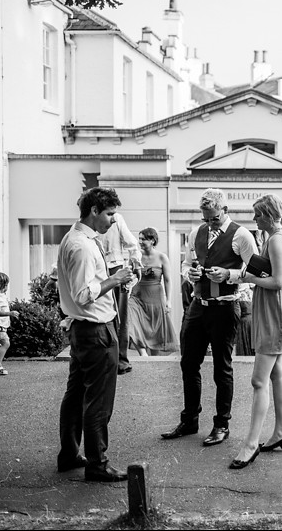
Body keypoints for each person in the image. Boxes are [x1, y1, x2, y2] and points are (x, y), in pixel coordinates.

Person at [161, 188, 258, 447]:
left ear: (225, 210)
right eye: (206, 218)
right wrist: (188, 274)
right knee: (188, 364)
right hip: (198, 306)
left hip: (226, 307)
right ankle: (190, 419)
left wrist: (230, 275)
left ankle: (221, 424)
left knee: (221, 368)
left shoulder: (242, 235)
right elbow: (185, 264)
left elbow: (258, 272)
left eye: (214, 218)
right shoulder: (196, 233)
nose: (209, 222)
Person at [56, 187, 134, 482]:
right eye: (110, 214)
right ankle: (98, 465)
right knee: (98, 402)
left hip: (82, 329)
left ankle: (70, 454)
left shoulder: (74, 239)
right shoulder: (83, 247)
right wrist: (114, 279)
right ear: (94, 211)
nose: (114, 220)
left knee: (75, 396)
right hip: (96, 331)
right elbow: (83, 293)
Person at [230, 194, 282, 469]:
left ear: (268, 215)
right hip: (275, 311)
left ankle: (250, 444)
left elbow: (278, 282)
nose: (254, 220)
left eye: (257, 215)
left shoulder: (277, 240)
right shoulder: (277, 238)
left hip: (275, 312)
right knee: (277, 372)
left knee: (259, 381)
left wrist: (249, 277)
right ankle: (281, 432)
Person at [98, 211, 142, 375]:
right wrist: (136, 264)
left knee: (117, 315)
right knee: (113, 316)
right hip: (103, 269)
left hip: (111, 268)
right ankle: (116, 360)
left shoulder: (115, 218)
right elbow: (132, 243)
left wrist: (136, 262)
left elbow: (131, 243)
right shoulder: (110, 218)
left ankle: (119, 360)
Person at [127, 227, 179, 356]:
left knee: (155, 329)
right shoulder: (135, 256)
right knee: (132, 320)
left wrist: (168, 301)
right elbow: (128, 275)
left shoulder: (162, 257)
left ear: (152, 240)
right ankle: (143, 353)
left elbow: (167, 280)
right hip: (137, 295)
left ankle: (154, 360)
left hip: (155, 296)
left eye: (143, 239)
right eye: (139, 239)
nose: (140, 242)